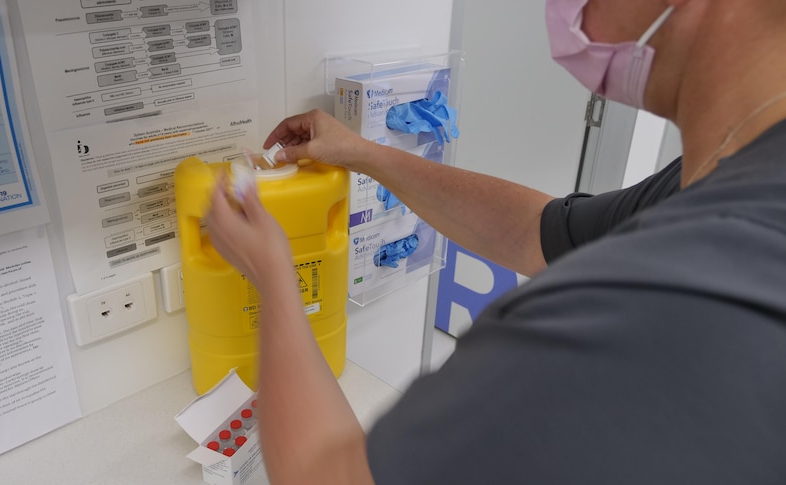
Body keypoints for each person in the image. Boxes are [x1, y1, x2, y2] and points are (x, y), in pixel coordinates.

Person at [204, 0, 786, 483]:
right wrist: (364, 153)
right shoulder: (732, 170)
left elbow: (328, 477)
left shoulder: (664, 300)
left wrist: (275, 277)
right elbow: (541, 231)